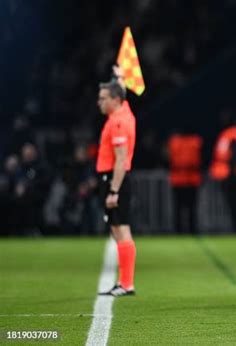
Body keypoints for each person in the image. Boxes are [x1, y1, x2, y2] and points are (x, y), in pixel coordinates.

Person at [97, 67, 137, 297]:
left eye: (103, 99)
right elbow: (123, 94)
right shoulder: (124, 113)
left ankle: (126, 283)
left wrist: (113, 190)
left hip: (115, 179)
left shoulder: (119, 122)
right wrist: (120, 77)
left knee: (121, 230)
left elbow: (121, 160)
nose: (99, 103)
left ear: (115, 100)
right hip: (112, 178)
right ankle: (124, 282)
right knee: (117, 230)